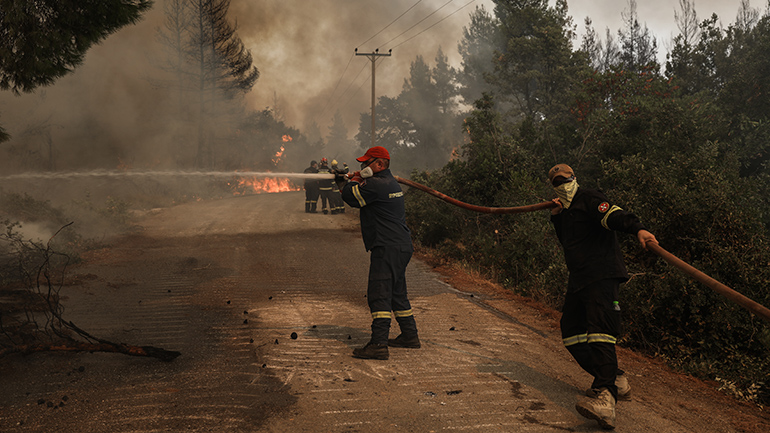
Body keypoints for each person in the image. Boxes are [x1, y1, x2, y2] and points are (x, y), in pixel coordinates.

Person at [548, 163, 657, 430]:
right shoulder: (568, 211)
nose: (562, 184)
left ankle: (605, 399)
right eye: (557, 182)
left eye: (566, 179)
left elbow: (614, 215)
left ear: (575, 178)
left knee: (600, 333)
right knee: (571, 333)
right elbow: (568, 243)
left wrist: (639, 229)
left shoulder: (589, 197)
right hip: (580, 280)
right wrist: (556, 216)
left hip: (602, 275)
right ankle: (616, 380)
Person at [335, 146, 420, 360]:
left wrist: (349, 181)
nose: (362, 167)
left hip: (387, 247)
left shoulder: (376, 185)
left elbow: (351, 198)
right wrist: (354, 180)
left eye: (367, 163)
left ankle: (379, 344)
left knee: (379, 294)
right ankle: (410, 335)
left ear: (379, 164)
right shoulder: (389, 182)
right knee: (397, 293)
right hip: (400, 246)